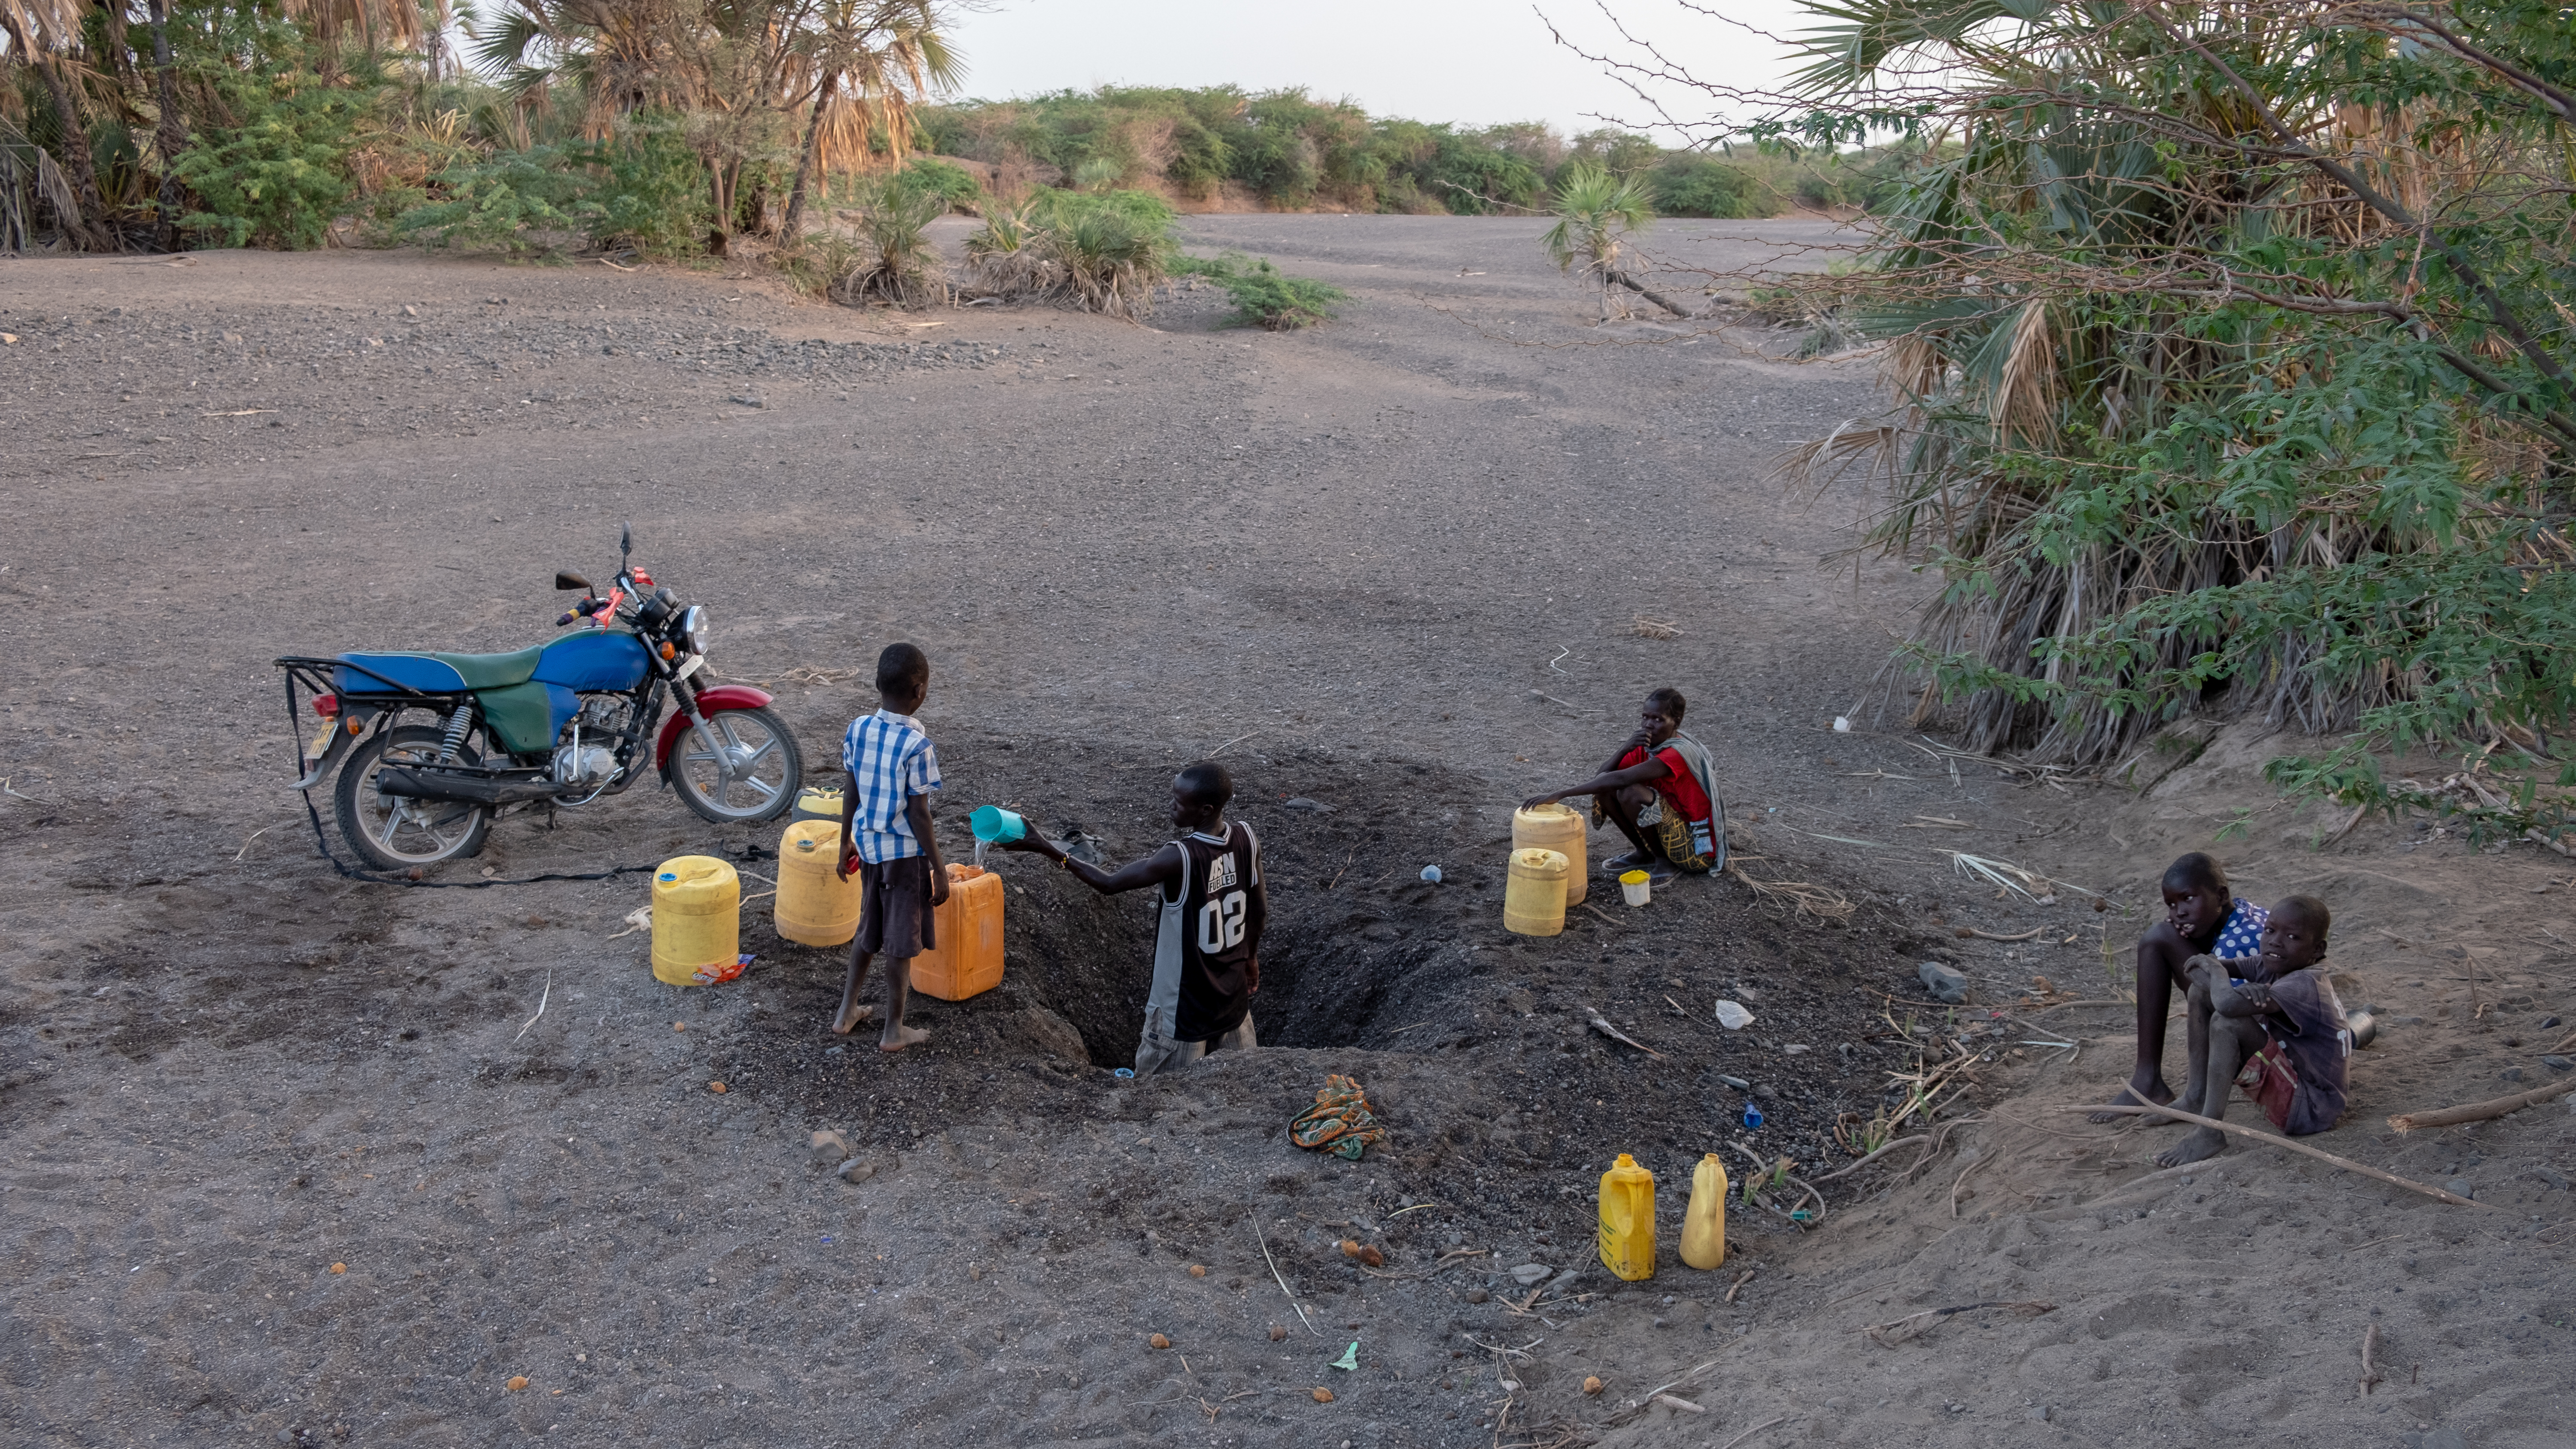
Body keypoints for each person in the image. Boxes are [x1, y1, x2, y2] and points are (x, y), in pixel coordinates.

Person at [1000, 761, 1264, 1074]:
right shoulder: (1247, 838)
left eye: (1179, 803)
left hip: (1181, 1013)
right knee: (1236, 1083)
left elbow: (1110, 884)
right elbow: (1259, 909)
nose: (1171, 806)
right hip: (1232, 1003)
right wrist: (1250, 958)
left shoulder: (1180, 856)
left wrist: (1047, 848)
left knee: (1155, 1098)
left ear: (1205, 809)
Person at [2153, 895, 2349, 1167]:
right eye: (2270, 931)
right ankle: (2195, 1097)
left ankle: (2210, 1133)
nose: (2275, 942)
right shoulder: (2272, 964)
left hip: (2310, 1109)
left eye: (2293, 937)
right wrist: (2223, 979)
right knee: (2203, 992)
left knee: (2227, 1022)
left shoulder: (2304, 984)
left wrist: (2219, 973)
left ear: (2317, 950)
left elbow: (2225, 1001)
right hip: (2293, 1082)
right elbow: (2197, 975)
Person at [2090, 852, 2269, 1121]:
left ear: (2220, 896)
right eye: (2171, 905)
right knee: (2165, 936)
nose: (2179, 912)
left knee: (2158, 938)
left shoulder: (2240, 940)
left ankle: (2148, 1081)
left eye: (2187, 899)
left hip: (2265, 1054)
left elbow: (2230, 1005)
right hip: (2257, 1031)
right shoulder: (2242, 914)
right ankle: (2148, 1080)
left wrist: (2179, 942)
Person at [832, 642, 949, 1051]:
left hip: (868, 848)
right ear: (919, 691)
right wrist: (938, 867)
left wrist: (844, 839)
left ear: (877, 683)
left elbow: (850, 790)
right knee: (901, 940)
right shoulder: (918, 747)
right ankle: (893, 1029)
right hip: (903, 857)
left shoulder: (858, 729)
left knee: (869, 927)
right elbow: (919, 815)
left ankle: (847, 1011)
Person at [1519, 687, 1725, 875]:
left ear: (1676, 723)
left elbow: (1621, 778)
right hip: (1670, 833)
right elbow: (1602, 778)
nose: (1648, 725)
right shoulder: (1647, 746)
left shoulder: (1677, 753)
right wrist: (1624, 748)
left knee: (1631, 793)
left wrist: (1560, 794)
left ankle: (1664, 862)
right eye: (1645, 717)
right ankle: (1644, 853)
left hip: (1696, 851)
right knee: (1605, 789)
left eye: (1658, 719)